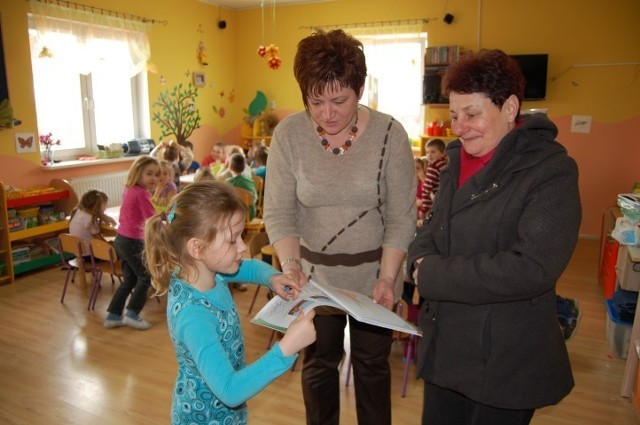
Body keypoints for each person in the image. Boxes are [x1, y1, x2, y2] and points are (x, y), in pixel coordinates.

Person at [407, 49, 581, 425]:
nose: (459, 126)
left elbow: (533, 268)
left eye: (472, 114)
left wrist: (432, 275)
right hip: (445, 348)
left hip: (505, 361)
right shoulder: (455, 161)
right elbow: (431, 231)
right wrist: (417, 259)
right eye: (454, 115)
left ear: (510, 107)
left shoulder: (550, 171)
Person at [264, 29, 416, 425]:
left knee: (371, 366)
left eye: (340, 100)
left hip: (374, 278)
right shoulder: (289, 136)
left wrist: (387, 276)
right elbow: (278, 212)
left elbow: (402, 215)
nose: (328, 113)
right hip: (315, 279)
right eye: (316, 101)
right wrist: (291, 265)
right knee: (318, 365)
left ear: (360, 88)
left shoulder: (389, 134)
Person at [144, 181, 316, 424]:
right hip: (203, 418)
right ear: (197, 248)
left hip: (229, 414)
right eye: (232, 239)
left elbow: (250, 267)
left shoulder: (207, 271)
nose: (243, 246)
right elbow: (230, 390)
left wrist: (272, 277)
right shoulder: (194, 316)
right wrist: (287, 347)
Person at [104, 155, 160, 330]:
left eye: (157, 175)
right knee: (146, 277)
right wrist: (171, 217)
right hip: (133, 242)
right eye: (149, 174)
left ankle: (113, 315)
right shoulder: (141, 193)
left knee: (130, 280)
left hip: (121, 240)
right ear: (138, 173)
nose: (154, 178)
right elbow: (153, 219)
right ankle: (132, 314)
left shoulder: (130, 189)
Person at [419, 138, 447, 219]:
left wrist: (423, 209)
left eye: (433, 152)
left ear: (443, 153)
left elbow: (427, 187)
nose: (429, 155)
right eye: (427, 152)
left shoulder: (433, 166)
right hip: (442, 200)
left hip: (431, 203)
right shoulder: (444, 164)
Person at [226, 153, 258, 221]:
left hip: (235, 217)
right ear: (244, 167)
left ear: (230, 166)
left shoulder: (228, 183)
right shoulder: (250, 181)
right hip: (250, 215)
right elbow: (255, 198)